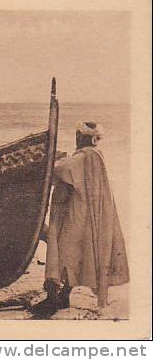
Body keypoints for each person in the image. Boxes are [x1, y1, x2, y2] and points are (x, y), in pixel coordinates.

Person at [32, 122, 129, 317]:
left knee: (64, 252)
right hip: (89, 214)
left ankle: (55, 298)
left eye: (79, 136)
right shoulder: (96, 156)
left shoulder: (84, 156)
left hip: (78, 215)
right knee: (72, 255)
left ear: (85, 138)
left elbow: (59, 170)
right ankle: (63, 296)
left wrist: (50, 159)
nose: (77, 140)